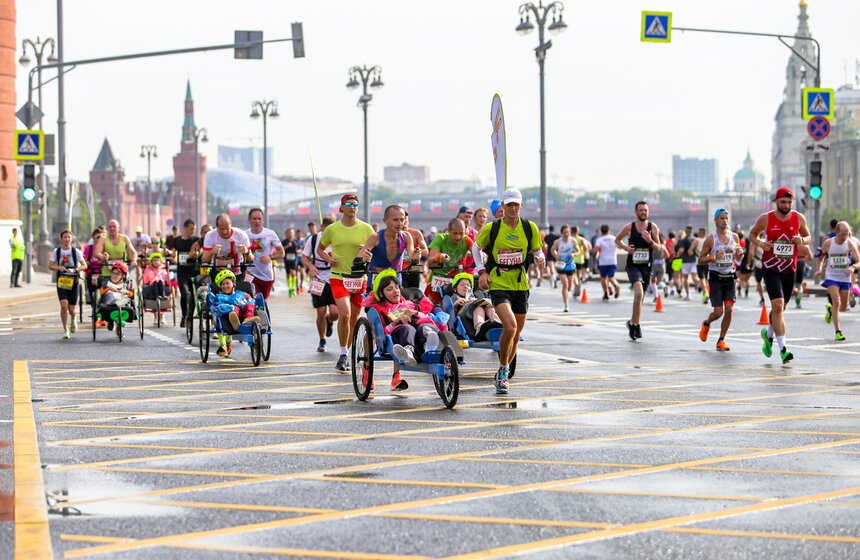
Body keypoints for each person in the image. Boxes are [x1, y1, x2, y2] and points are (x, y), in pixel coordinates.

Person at [475, 188, 545, 395]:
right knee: (511, 326)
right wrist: (481, 271)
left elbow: (537, 249)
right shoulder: (493, 228)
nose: (513, 208)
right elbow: (475, 248)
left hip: (520, 284)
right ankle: (504, 371)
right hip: (498, 283)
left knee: (516, 335)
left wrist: (540, 257)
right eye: (509, 205)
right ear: (503, 207)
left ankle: (502, 370)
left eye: (516, 205)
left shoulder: (529, 227)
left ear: (521, 206)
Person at [748, 187, 811, 364]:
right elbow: (753, 234)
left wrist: (802, 241)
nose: (786, 205)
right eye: (783, 202)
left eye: (789, 202)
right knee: (777, 305)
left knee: (780, 310)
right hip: (771, 268)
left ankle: (768, 335)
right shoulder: (765, 218)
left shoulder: (799, 218)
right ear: (776, 202)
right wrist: (761, 243)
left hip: (789, 269)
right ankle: (783, 349)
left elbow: (808, 236)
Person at [316, 194, 375, 372]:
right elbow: (320, 249)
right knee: (345, 313)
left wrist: (367, 253)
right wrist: (328, 259)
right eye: (348, 204)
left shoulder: (366, 229)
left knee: (354, 318)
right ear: (341, 208)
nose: (352, 207)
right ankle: (342, 354)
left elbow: (374, 251)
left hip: (358, 278)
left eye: (355, 204)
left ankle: (347, 353)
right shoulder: (332, 229)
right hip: (338, 276)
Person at [363, 268, 444, 391]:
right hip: (401, 335)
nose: (395, 291)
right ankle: (408, 352)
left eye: (396, 287)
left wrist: (415, 313)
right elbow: (383, 333)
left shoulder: (410, 303)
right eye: (389, 289)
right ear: (381, 294)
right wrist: (396, 321)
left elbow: (427, 315)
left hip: (420, 332)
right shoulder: (382, 309)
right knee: (406, 329)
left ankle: (430, 347)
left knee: (425, 327)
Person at [697, 209, 744, 351]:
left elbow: (738, 255)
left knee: (729, 310)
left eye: (726, 218)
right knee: (718, 312)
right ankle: (706, 323)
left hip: (730, 278)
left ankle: (721, 340)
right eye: (722, 218)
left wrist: (740, 255)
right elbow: (700, 260)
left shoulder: (734, 237)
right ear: (716, 220)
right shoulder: (711, 239)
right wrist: (713, 257)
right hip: (716, 278)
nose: (725, 221)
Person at [615, 201, 662, 341]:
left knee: (640, 298)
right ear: (636, 212)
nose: (643, 212)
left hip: (646, 266)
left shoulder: (653, 228)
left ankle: (633, 323)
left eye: (645, 210)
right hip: (632, 265)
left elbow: (659, 248)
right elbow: (617, 240)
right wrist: (625, 248)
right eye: (640, 210)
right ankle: (636, 324)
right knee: (639, 292)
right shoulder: (629, 227)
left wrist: (650, 241)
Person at [815, 221, 859, 341]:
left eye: (847, 234)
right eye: (842, 234)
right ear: (836, 232)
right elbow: (821, 258)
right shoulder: (828, 243)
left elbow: (858, 261)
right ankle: (838, 331)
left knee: (843, 307)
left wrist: (853, 267)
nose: (845, 237)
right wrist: (819, 270)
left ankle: (830, 309)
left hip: (845, 277)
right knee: (837, 302)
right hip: (832, 276)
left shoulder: (850, 244)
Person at [303, 215, 339, 353]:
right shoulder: (313, 240)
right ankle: (322, 339)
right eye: (325, 230)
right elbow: (304, 257)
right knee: (321, 312)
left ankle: (330, 321)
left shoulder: (338, 238)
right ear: (321, 227)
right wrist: (311, 267)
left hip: (335, 277)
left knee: (335, 313)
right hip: (318, 279)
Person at [209, 269, 260, 358]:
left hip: (245, 314)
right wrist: (230, 307)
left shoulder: (241, 294)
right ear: (220, 287)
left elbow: (250, 301)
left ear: (233, 283)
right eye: (223, 284)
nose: (225, 286)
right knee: (233, 311)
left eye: (227, 283)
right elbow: (215, 308)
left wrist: (249, 301)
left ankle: (247, 320)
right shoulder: (220, 297)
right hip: (231, 315)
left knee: (249, 306)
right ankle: (234, 327)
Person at [362, 205, 417, 281]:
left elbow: (412, 255)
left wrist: (416, 256)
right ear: (385, 220)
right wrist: (364, 258)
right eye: (395, 220)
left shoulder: (406, 236)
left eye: (402, 220)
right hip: (375, 283)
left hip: (395, 282)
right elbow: (359, 258)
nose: (399, 223)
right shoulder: (375, 237)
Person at [426, 218, 474, 304]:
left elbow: (477, 253)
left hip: (456, 280)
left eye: (461, 233)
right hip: (438, 278)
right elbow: (430, 260)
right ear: (448, 231)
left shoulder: (466, 240)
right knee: (430, 305)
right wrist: (439, 257)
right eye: (455, 233)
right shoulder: (440, 238)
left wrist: (483, 256)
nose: (458, 237)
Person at [49, 230, 87, 339]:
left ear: (71, 239)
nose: (66, 239)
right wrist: (59, 267)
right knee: (63, 305)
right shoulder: (57, 252)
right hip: (62, 280)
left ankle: (74, 318)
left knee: (72, 309)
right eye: (65, 237)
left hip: (73, 280)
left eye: (68, 237)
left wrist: (75, 269)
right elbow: (50, 266)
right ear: (61, 239)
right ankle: (65, 329)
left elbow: (84, 265)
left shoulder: (76, 252)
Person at [245, 208, 284, 300]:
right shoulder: (244, 235)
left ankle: (262, 313)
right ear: (249, 220)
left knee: (262, 301)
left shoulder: (270, 233)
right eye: (254, 219)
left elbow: (281, 253)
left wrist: (270, 257)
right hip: (250, 274)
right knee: (252, 300)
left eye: (259, 219)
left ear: (263, 220)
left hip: (266, 276)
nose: (257, 221)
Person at [450, 272, 501, 342]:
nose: (465, 287)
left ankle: (497, 322)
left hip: (477, 308)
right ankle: (479, 328)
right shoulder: (454, 298)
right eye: (462, 285)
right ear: (455, 289)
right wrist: (455, 305)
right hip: (463, 314)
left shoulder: (476, 296)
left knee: (488, 306)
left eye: (468, 285)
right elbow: (450, 315)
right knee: (478, 307)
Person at [201, 214, 252, 281]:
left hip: (237, 273)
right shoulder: (210, 235)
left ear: (231, 225)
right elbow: (205, 259)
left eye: (227, 228)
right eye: (222, 229)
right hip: (218, 274)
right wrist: (211, 252)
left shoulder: (241, 235)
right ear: (217, 227)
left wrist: (246, 252)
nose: (225, 232)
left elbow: (251, 258)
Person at [173, 219, 199, 328]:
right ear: (185, 228)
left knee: (193, 296)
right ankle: (184, 315)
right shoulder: (177, 240)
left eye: (194, 229)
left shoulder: (196, 240)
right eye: (191, 229)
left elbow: (199, 252)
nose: (193, 231)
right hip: (182, 272)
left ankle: (190, 317)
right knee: (184, 294)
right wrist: (171, 255)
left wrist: (196, 254)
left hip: (193, 271)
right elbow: (173, 253)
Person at [97, 261, 136, 333]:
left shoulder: (127, 284)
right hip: (108, 306)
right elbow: (101, 292)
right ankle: (110, 320)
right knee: (111, 295)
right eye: (113, 273)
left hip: (123, 305)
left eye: (117, 274)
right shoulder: (106, 282)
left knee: (124, 299)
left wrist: (127, 292)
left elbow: (132, 295)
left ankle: (118, 325)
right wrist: (109, 289)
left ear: (123, 275)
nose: (114, 275)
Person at [551, 224, 579, 312]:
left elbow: (578, 250)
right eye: (565, 232)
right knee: (565, 284)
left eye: (568, 232)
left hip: (570, 265)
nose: (567, 234)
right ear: (561, 233)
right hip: (561, 265)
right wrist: (556, 255)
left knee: (570, 287)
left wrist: (574, 254)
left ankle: (556, 279)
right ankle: (566, 305)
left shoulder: (573, 241)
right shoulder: (558, 242)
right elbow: (552, 250)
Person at [401, 212, 428, 289]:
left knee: (414, 292)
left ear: (408, 221)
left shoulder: (416, 233)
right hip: (399, 267)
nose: (403, 223)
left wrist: (417, 252)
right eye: (401, 220)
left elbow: (426, 251)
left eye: (405, 221)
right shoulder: (393, 234)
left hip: (414, 266)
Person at [593, 224, 620, 301]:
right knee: (611, 276)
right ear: (609, 231)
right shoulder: (614, 238)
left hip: (603, 261)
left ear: (601, 231)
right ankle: (615, 284)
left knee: (603, 278)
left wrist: (595, 254)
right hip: (612, 261)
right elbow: (620, 246)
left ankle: (605, 294)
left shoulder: (599, 240)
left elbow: (596, 250)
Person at [83, 227, 106, 310]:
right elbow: (84, 263)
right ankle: (94, 307)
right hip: (91, 273)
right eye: (97, 237)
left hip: (104, 273)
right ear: (93, 238)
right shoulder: (88, 249)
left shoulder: (106, 247)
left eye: (102, 237)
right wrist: (91, 261)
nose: (100, 239)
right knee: (92, 291)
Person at [674, 226, 696, 300]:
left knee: (685, 278)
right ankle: (700, 284)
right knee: (695, 277)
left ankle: (688, 295)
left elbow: (681, 250)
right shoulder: (695, 239)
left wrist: (677, 255)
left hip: (685, 261)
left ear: (686, 231)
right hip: (693, 261)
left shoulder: (683, 240)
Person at [691, 227, 710, 304]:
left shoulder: (696, 240)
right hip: (708, 262)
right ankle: (704, 295)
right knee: (706, 279)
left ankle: (705, 292)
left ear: (699, 233)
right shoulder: (709, 240)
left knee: (702, 278)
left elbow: (690, 251)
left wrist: (694, 252)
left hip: (700, 262)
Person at [281, 228, 300, 297]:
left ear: (293, 233)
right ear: (286, 234)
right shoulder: (284, 241)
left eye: (291, 233)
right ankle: (290, 289)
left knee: (294, 273)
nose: (290, 234)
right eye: (289, 233)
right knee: (288, 274)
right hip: (287, 259)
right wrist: (287, 246)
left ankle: (293, 289)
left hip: (294, 259)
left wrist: (298, 251)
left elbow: (300, 249)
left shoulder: (296, 241)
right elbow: (281, 249)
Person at [543, 225, 559, 289]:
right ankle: (554, 277)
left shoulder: (546, 237)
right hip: (556, 252)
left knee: (551, 267)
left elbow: (544, 246)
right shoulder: (556, 237)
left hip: (549, 253)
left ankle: (553, 278)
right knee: (555, 267)